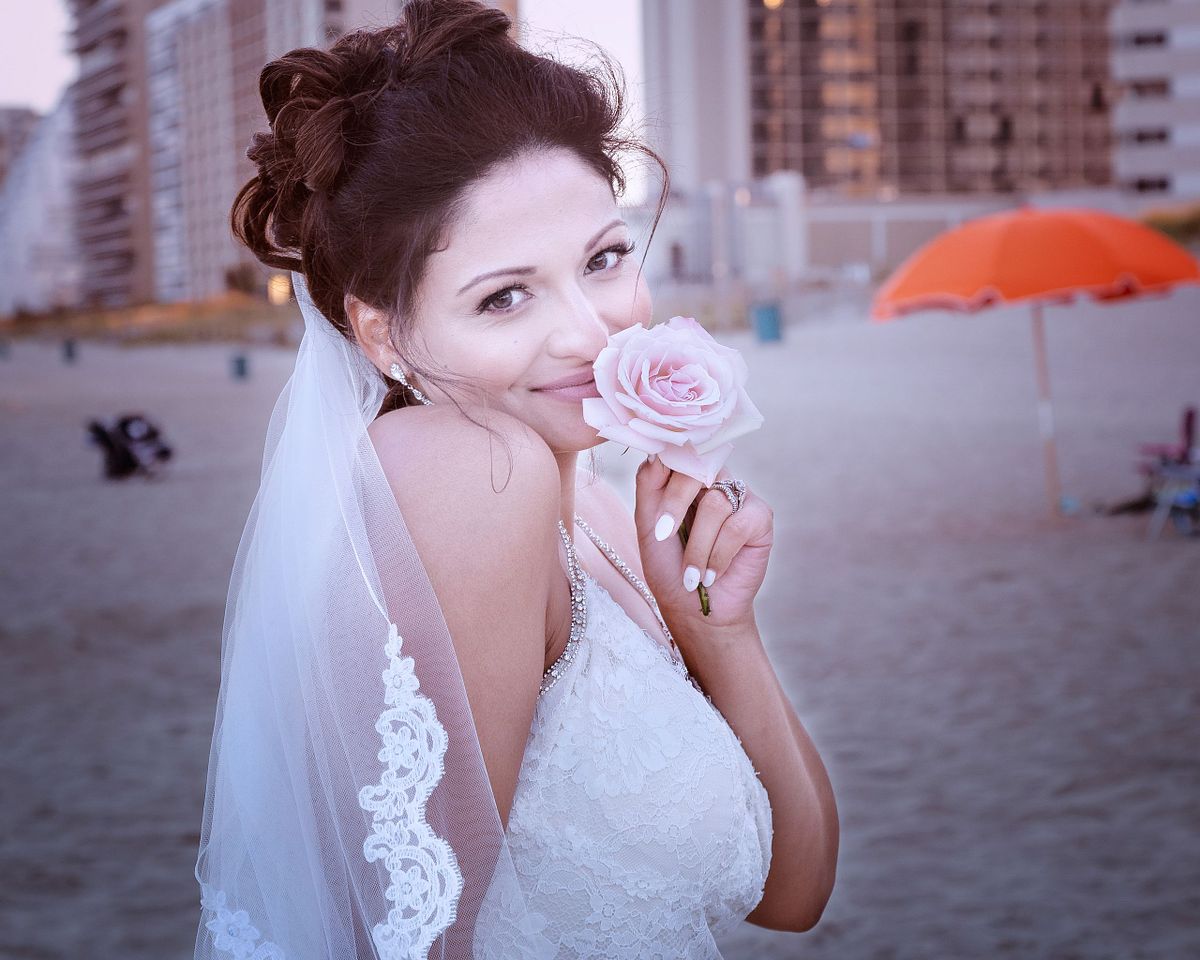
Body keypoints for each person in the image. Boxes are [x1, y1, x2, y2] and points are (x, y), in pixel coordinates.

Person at [193, 2, 838, 958]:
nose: (590, 328)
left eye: (604, 259)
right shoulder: (474, 473)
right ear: (384, 334)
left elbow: (790, 892)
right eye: (505, 296)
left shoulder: (609, 521)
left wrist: (718, 631)